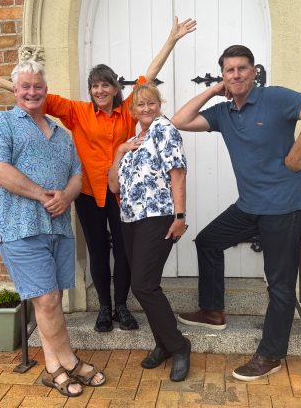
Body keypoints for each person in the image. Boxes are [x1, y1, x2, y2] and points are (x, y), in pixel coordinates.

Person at [0, 18, 196, 333]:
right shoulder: (77, 111)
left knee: (126, 255)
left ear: (116, 89)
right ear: (91, 90)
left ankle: (121, 307)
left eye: (106, 85)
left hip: (120, 195)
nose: (100, 90)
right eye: (95, 86)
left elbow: (150, 75)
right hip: (88, 193)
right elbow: (35, 95)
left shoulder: (128, 111)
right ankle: (104, 307)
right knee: (98, 252)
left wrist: (171, 39)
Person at [171, 45, 301, 381]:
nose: (236, 75)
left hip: (285, 208)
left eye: (242, 69)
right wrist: (215, 90)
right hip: (250, 206)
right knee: (209, 241)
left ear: (254, 70)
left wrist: (295, 155)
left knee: (280, 286)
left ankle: (271, 355)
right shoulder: (224, 113)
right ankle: (213, 311)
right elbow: (179, 120)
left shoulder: (274, 98)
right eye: (229, 71)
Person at [0, 60, 105, 397]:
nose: (32, 92)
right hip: (19, 226)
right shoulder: (2, 123)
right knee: (48, 299)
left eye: (38, 86)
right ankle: (70, 360)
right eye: (25, 86)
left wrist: (66, 196)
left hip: (59, 226)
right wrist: (41, 195)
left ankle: (53, 368)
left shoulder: (62, 135)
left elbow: (78, 174)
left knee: (51, 301)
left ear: (45, 91)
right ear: (15, 89)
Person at [107, 81, 191, 382]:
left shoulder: (164, 130)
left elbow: (177, 173)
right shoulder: (132, 140)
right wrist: (118, 152)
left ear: (159, 104)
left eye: (151, 103)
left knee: (143, 285)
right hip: (130, 220)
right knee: (147, 284)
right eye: (140, 104)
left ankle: (180, 346)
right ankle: (164, 344)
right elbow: (114, 186)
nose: (145, 108)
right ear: (132, 110)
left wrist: (180, 216)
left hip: (158, 216)